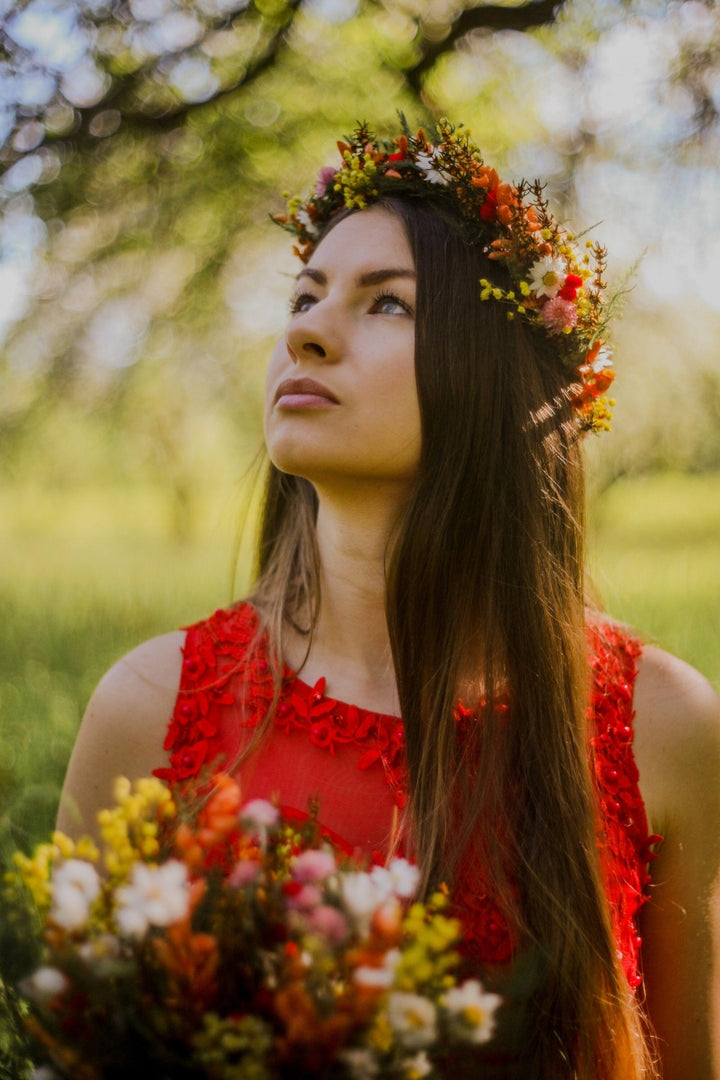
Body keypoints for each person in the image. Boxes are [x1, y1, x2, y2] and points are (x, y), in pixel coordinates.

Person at [57, 121, 720, 1079]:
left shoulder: (664, 724)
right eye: (305, 296)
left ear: (497, 377)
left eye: (389, 303)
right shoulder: (147, 707)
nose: (305, 331)